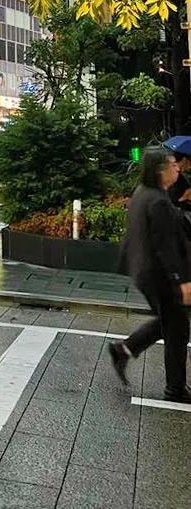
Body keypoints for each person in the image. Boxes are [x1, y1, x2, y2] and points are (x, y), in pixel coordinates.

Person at [110, 147, 191, 402]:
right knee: (177, 327)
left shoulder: (145, 193)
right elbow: (166, 247)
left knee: (170, 321)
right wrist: (182, 281)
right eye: (172, 164)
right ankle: (175, 388)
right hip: (159, 275)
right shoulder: (157, 201)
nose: (177, 167)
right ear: (160, 170)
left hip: (145, 272)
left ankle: (124, 349)